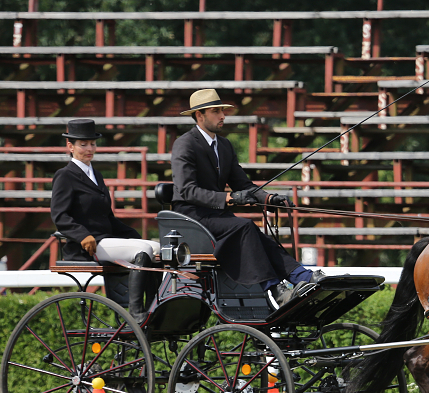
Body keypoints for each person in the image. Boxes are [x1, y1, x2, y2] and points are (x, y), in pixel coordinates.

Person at [170, 89, 321, 304]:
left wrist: (268, 199)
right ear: (199, 115)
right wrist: (228, 199)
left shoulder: (224, 146)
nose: (222, 116)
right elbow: (187, 190)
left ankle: (302, 276)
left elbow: (244, 184)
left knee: (259, 236)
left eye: (222, 110)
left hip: (216, 217)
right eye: (216, 111)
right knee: (245, 227)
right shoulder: (185, 144)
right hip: (190, 217)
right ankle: (273, 288)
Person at [50, 119, 160, 322]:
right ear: (70, 146)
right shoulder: (64, 176)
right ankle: (136, 312)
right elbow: (60, 215)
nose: (89, 148)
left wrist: (132, 236)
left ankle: (155, 304)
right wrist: (83, 235)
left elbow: (108, 217)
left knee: (156, 247)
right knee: (143, 251)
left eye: (92, 143)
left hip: (106, 240)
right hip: (88, 246)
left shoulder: (97, 176)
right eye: (83, 144)